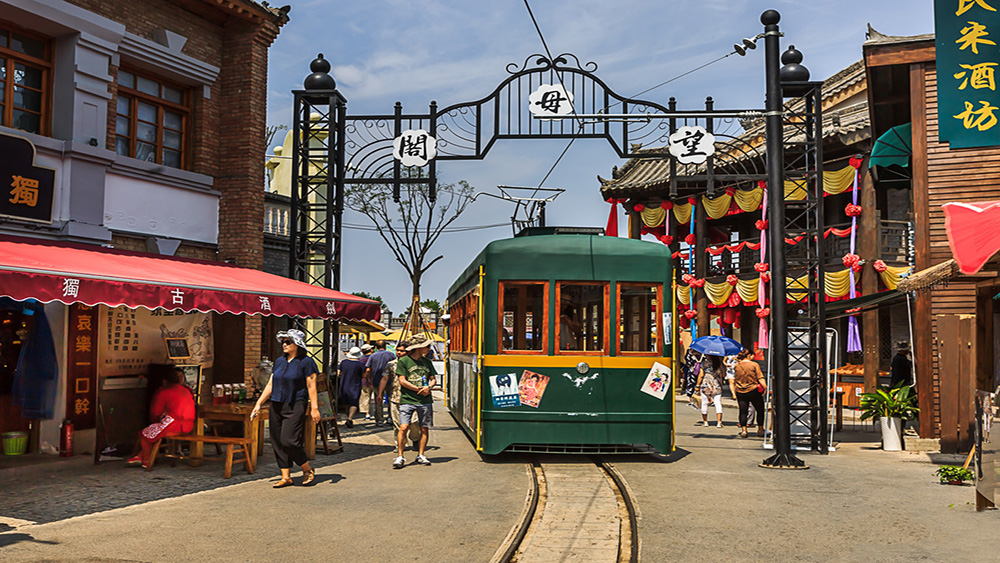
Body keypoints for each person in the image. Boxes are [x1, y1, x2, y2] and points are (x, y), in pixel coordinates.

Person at [250, 329, 319, 488]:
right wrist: (259, 403)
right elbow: (271, 384)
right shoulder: (280, 361)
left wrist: (314, 408)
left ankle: (306, 468)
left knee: (289, 440)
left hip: (296, 404)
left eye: (288, 342)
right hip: (276, 403)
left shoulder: (306, 362)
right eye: (283, 341)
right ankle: (285, 476)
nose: (284, 344)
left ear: (297, 344)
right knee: (277, 440)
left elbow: (311, 385)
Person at [127, 367, 195, 468]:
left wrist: (154, 422)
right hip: (188, 425)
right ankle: (139, 456)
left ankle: (147, 459)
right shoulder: (186, 391)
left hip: (173, 425)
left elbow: (155, 412)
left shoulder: (163, 391)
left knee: (146, 433)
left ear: (164, 381)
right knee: (153, 433)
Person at [393, 334, 436, 468]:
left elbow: (433, 378)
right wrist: (418, 388)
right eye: (427, 346)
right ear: (420, 348)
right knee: (403, 427)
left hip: (425, 399)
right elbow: (402, 380)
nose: (429, 348)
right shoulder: (404, 361)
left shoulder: (427, 362)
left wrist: (428, 387)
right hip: (407, 399)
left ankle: (421, 454)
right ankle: (400, 455)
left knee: (424, 428)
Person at [385, 339, 422, 447]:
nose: (399, 353)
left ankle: (415, 438)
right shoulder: (391, 364)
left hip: (413, 397)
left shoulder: (415, 363)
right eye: (397, 350)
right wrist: (380, 394)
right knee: (397, 423)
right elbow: (385, 378)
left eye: (402, 351)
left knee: (415, 421)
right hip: (396, 397)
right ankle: (400, 443)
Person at [729, 349, 767, 438]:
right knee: (760, 409)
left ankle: (744, 430)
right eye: (753, 355)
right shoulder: (754, 365)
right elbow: (760, 377)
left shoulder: (736, 365)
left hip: (740, 391)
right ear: (749, 355)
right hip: (753, 390)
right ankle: (760, 429)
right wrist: (765, 387)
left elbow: (733, 378)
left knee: (743, 411)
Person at [367, 340, 395, 425]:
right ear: (385, 346)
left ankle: (379, 419)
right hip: (390, 380)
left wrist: (368, 379)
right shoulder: (391, 355)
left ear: (375, 347)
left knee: (378, 399)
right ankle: (390, 417)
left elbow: (368, 369)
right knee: (391, 398)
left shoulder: (372, 356)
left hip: (376, 380)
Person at [337, 346, 366, 428]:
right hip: (355, 384)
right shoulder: (360, 364)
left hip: (344, 384)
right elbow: (364, 375)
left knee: (346, 401)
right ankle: (350, 418)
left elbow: (339, 373)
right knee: (354, 402)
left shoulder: (343, 362)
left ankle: (348, 416)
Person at [695, 355, 725, 428]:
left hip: (706, 383)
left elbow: (701, 375)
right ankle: (719, 422)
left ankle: (705, 422)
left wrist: (697, 385)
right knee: (717, 403)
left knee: (704, 403)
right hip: (716, 384)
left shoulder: (705, 363)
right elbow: (724, 374)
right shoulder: (720, 364)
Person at [359, 343, 374, 420]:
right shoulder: (373, 358)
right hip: (374, 380)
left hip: (364, 381)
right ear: (370, 350)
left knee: (365, 397)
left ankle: (367, 413)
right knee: (378, 397)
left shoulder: (361, 360)